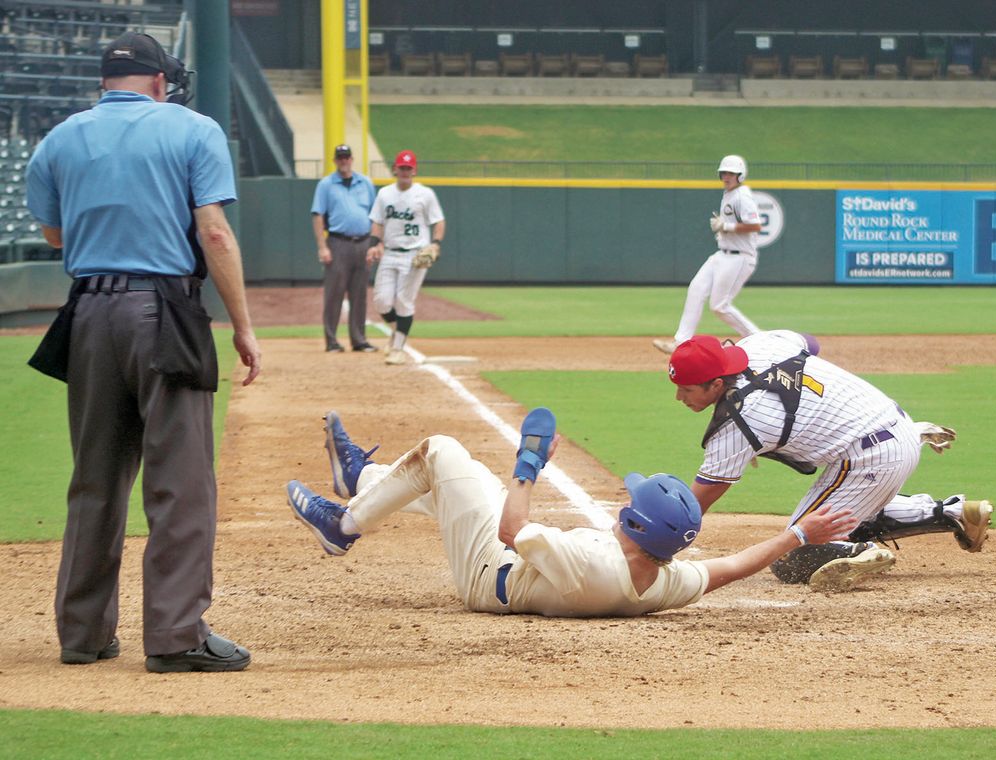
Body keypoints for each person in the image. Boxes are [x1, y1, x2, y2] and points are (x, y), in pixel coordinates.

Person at [25, 32, 261, 672]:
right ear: (160, 81)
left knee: (95, 479)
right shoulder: (192, 129)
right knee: (180, 482)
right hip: (163, 310)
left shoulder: (59, 139)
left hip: (87, 313)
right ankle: (177, 635)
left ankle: (82, 634)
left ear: (106, 82)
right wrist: (242, 325)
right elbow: (213, 229)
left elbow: (53, 232)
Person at [285, 408, 859, 617]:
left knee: (442, 451)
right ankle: (358, 478)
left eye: (631, 503)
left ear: (636, 526)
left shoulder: (592, 561)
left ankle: (343, 525)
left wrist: (529, 464)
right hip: (508, 572)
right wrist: (796, 535)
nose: (622, 501)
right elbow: (730, 567)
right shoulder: (661, 582)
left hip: (488, 571)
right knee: (456, 484)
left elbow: (511, 531)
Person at [664, 332, 993, 592]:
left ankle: (857, 550)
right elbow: (810, 343)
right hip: (892, 425)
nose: (680, 398)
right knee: (834, 515)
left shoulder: (740, 423)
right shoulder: (760, 343)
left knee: (793, 558)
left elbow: (695, 506)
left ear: (718, 383)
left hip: (870, 458)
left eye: (688, 390)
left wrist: (653, 549)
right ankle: (953, 513)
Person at [653, 155, 763, 355]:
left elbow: (756, 225)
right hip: (723, 254)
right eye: (724, 173)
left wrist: (727, 226)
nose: (726, 176)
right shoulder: (729, 194)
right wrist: (725, 229)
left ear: (740, 175)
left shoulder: (742, 197)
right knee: (696, 289)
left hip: (740, 257)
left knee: (719, 306)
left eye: (731, 173)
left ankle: (760, 339)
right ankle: (681, 343)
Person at [366, 149, 445, 365]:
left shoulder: (425, 194)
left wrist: (435, 244)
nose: (405, 171)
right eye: (402, 167)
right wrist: (373, 245)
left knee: (404, 301)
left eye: (409, 168)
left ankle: (398, 348)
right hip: (390, 252)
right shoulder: (384, 194)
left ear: (415, 170)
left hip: (415, 255)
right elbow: (377, 221)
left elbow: (438, 221)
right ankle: (397, 331)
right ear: (395, 169)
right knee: (381, 302)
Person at [310, 143, 378, 353]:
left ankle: (359, 340)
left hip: (363, 242)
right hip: (338, 242)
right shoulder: (326, 184)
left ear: (352, 158)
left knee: (359, 293)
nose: (344, 161)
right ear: (335, 160)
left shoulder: (365, 182)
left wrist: (374, 244)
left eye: (347, 157)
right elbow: (318, 215)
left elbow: (376, 215)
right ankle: (331, 340)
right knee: (334, 293)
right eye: (340, 157)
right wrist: (322, 246)